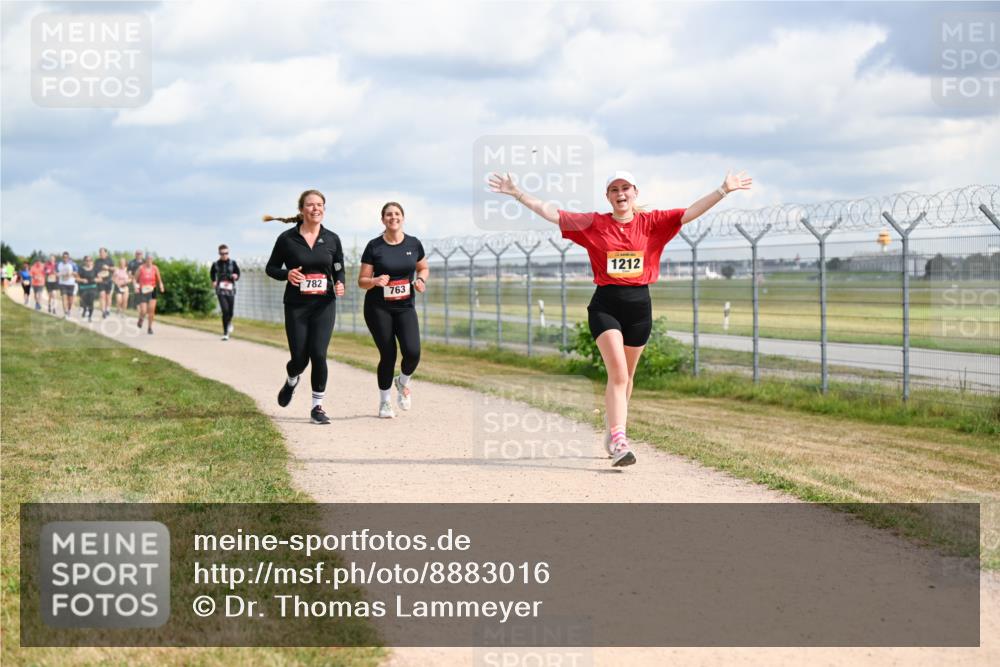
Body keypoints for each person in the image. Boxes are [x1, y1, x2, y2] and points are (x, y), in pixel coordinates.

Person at [489, 168, 752, 467]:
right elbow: (553, 213)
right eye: (614, 189)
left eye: (625, 188)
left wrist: (723, 190)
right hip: (606, 306)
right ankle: (619, 441)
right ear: (608, 197)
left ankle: (613, 428)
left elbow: (690, 212)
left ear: (635, 193)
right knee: (618, 374)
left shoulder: (652, 223)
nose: (621, 193)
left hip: (640, 308)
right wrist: (518, 193)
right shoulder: (594, 223)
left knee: (628, 378)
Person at [264, 190, 346, 425]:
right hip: (296, 306)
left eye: (320, 205)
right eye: (311, 205)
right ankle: (291, 379)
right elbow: (271, 268)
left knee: (319, 354)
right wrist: (286, 274)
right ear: (302, 210)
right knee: (300, 360)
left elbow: (339, 266)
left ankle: (317, 407)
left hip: (324, 304)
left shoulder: (332, 238)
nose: (316, 208)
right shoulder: (287, 239)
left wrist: (340, 282)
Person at [358, 202, 429, 418]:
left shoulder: (414, 243)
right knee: (388, 354)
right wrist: (375, 280)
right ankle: (385, 402)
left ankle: (403, 382)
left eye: (397, 214)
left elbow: (423, 267)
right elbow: (362, 281)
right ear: (383, 220)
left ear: (403, 218)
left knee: (413, 352)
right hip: (378, 308)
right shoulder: (374, 246)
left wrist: (420, 280)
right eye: (389, 215)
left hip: (405, 306)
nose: (393, 217)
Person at [210, 244, 240, 340]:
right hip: (221, 290)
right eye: (222, 253)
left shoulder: (233, 263)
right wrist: (214, 281)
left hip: (230, 290)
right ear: (219, 253)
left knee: (230, 311)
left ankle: (229, 322)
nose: (224, 255)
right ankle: (225, 333)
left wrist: (236, 276)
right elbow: (212, 273)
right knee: (225, 310)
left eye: (226, 253)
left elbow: (238, 273)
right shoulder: (215, 264)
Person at [135, 254, 165, 334]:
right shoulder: (141, 268)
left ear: (152, 260)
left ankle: (149, 328)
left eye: (151, 259)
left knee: (151, 309)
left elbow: (159, 279)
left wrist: (161, 286)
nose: (149, 261)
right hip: (143, 290)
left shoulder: (155, 268)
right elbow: (135, 279)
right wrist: (136, 287)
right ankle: (141, 319)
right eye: (148, 259)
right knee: (144, 311)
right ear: (145, 260)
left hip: (152, 290)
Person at [75, 255, 99, 321]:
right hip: (83, 288)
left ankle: (90, 316)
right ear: (84, 262)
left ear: (92, 261)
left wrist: (96, 280)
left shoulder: (95, 269)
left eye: (90, 260)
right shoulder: (81, 269)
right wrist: (82, 280)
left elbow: (100, 279)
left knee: (91, 301)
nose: (88, 262)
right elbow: (76, 278)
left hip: (92, 287)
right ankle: (85, 309)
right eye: (87, 261)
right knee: (84, 302)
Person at [55, 252, 78, 318]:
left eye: (66, 257)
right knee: (64, 298)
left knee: (70, 301)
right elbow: (56, 272)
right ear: (62, 257)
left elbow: (76, 273)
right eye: (64, 257)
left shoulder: (73, 264)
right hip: (62, 284)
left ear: (68, 258)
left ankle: (69, 310)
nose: (65, 259)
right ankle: (66, 312)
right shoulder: (59, 264)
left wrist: (70, 273)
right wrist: (58, 274)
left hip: (71, 284)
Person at [94, 247, 114, 319]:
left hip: (108, 281)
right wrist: (97, 277)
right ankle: (103, 312)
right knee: (102, 295)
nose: (101, 254)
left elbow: (114, 269)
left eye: (102, 252)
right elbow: (94, 271)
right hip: (100, 281)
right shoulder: (97, 261)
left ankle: (108, 309)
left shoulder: (109, 260)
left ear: (106, 253)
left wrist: (108, 267)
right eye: (100, 252)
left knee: (108, 297)